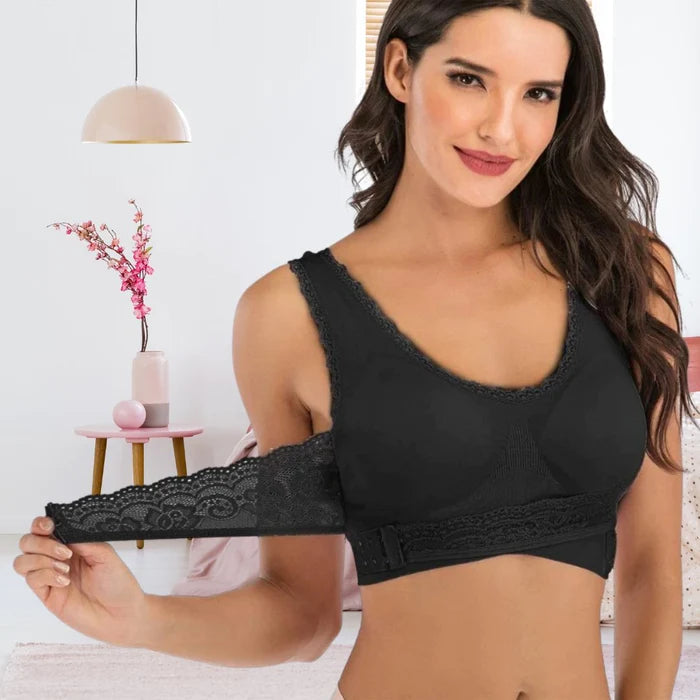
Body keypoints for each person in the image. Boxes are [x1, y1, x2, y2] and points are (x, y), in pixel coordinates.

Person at [14, 1, 692, 698]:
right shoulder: (289, 315)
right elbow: (300, 614)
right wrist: (143, 619)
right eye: (469, 79)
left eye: (538, 93)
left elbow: (650, 568)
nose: (502, 127)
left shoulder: (626, 274)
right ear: (399, 68)